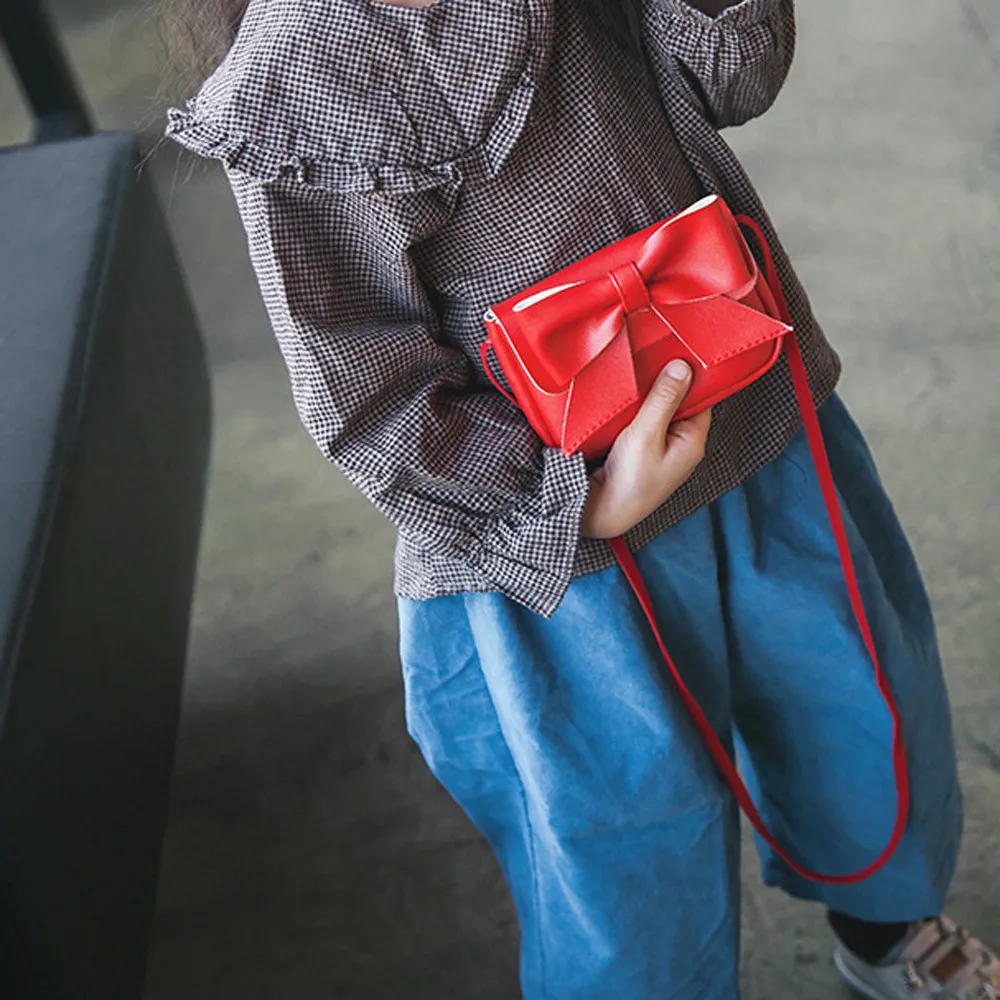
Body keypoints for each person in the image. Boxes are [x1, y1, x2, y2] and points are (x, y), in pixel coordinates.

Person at [162, 0, 998, 996]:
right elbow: (366, 392)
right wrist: (576, 504)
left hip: (749, 419)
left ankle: (888, 933)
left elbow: (735, 73)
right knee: (624, 835)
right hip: (561, 554)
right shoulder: (291, 86)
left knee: (858, 701)